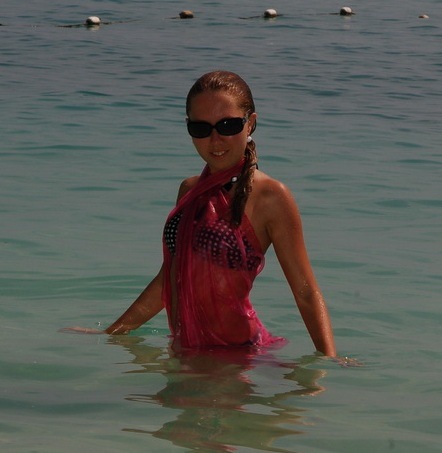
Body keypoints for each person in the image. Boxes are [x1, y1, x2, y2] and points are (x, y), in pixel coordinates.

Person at [65, 70, 337, 357]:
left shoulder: (271, 197)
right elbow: (170, 278)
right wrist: (112, 333)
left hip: (237, 356)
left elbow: (305, 291)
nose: (215, 140)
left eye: (228, 125)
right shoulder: (189, 191)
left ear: (251, 124)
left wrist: (330, 362)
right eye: (201, 128)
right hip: (185, 349)